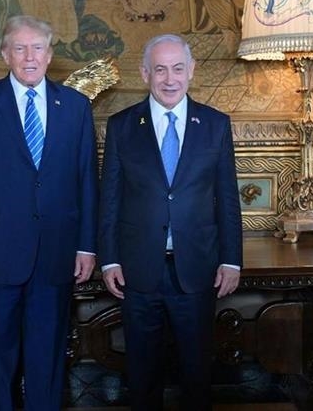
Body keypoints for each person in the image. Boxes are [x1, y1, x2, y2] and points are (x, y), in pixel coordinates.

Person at [0, 15, 98, 410]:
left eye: (37, 48)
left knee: (48, 358)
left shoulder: (76, 107)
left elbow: (87, 180)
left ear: (49, 55)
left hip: (56, 255)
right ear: (5, 54)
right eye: (20, 48)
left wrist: (86, 246)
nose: (29, 57)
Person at [98, 34, 243, 410]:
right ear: (145, 73)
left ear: (191, 70)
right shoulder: (122, 126)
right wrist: (109, 260)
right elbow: (110, 198)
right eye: (160, 69)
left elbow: (227, 198)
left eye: (178, 68)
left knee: (196, 376)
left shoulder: (215, 125)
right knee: (143, 376)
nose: (169, 79)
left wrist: (231, 260)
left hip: (197, 268)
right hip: (137, 271)